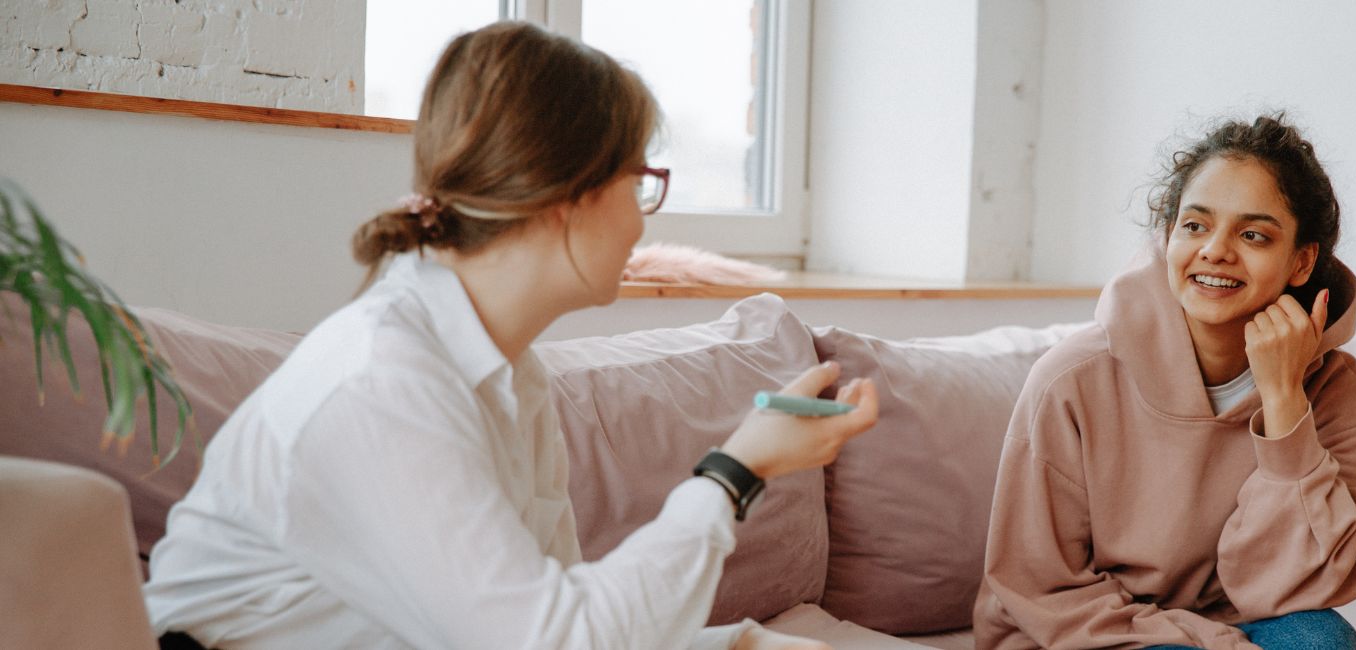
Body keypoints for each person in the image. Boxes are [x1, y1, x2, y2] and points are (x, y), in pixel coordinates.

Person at [143, 21, 877, 650]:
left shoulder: (509, 372)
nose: (643, 218)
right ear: (568, 196)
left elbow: (554, 615)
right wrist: (734, 472)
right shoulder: (383, 383)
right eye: (639, 181)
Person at [973, 115, 1356, 650]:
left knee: (1325, 643)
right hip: (1081, 632)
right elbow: (1040, 586)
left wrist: (1285, 402)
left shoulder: (1337, 391)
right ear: (1167, 236)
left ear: (1302, 261)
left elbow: (1311, 585)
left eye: (1254, 234)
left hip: (1238, 618)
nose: (1215, 250)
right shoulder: (1071, 381)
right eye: (1195, 226)